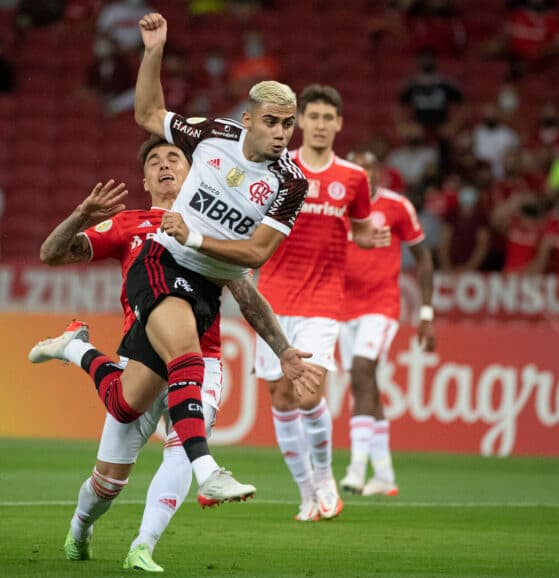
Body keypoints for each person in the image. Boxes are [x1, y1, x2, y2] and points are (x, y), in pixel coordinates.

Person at [32, 12, 310, 508]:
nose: (281, 132)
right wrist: (154, 50)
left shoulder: (290, 182)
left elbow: (252, 260)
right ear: (248, 119)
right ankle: (209, 471)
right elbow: (147, 114)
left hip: (202, 286)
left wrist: (283, 347)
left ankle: (76, 349)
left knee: (124, 403)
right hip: (162, 263)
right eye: (271, 121)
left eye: (289, 124)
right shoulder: (210, 138)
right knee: (188, 358)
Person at [32, 136, 320, 571]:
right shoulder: (129, 224)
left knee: (183, 445)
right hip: (142, 355)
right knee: (108, 484)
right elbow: (51, 255)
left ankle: (143, 545)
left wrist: (283, 350)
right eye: (154, 161)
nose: (165, 165)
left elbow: (247, 295)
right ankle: (80, 526)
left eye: (174, 158)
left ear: (194, 172)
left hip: (204, 355)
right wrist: (80, 217)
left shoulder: (212, 229)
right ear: (145, 180)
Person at [254, 84, 391, 522]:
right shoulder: (278, 167)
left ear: (339, 124)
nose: (319, 125)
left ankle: (327, 477)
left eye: (327, 118)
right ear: (299, 122)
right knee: (281, 397)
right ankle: (307, 493)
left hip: (322, 300)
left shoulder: (353, 178)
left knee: (308, 391)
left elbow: (361, 231)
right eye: (311, 117)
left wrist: (372, 238)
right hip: (272, 298)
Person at [338, 149, 435, 496]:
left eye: (370, 168)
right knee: (364, 384)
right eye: (358, 169)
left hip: (381, 305)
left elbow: (424, 259)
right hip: (342, 308)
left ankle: (355, 469)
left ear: (379, 173)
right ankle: (384, 476)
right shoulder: (337, 207)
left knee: (363, 369)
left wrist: (426, 314)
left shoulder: (397, 207)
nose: (365, 175)